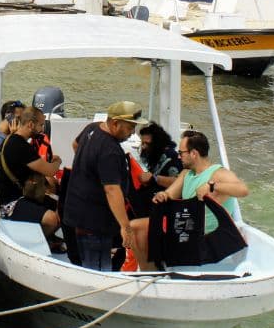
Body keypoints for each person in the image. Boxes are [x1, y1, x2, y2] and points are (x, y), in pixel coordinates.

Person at [131, 130, 249, 271]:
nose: (178, 157)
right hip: (185, 227)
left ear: (194, 154)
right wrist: (163, 195)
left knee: (141, 229)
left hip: (207, 235)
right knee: (133, 228)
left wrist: (212, 186)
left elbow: (243, 190)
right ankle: (150, 273)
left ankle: (156, 273)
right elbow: (170, 194)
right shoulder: (186, 174)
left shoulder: (218, 173)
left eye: (181, 153)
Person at [61, 101, 148, 271]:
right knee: (97, 268)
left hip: (77, 211)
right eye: (130, 127)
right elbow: (112, 190)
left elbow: (75, 144)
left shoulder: (92, 128)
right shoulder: (110, 151)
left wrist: (87, 172)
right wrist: (125, 226)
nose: (132, 133)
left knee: (89, 259)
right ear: (115, 123)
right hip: (95, 221)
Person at [0, 106, 62, 239]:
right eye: (41, 125)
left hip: (20, 194)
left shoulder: (11, 139)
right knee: (52, 219)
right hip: (9, 202)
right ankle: (36, 242)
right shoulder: (21, 147)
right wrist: (57, 161)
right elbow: (50, 170)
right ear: (31, 124)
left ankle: (46, 238)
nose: (42, 129)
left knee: (63, 209)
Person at [127, 124, 183, 215]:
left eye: (147, 143)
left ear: (158, 143)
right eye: (142, 143)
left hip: (161, 206)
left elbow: (178, 182)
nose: (144, 147)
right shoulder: (156, 154)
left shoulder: (173, 158)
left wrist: (154, 178)